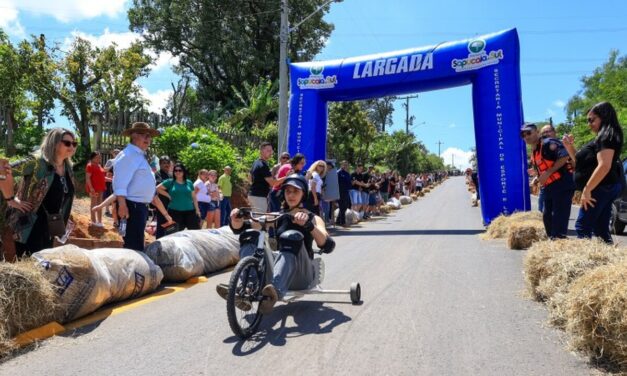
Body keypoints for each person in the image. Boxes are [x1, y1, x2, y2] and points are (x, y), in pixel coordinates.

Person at [219, 174, 335, 314]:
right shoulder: (278, 215)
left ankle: (274, 292)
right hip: (279, 272)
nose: (291, 195)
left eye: (295, 191)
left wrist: (309, 225)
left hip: (303, 275)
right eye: (288, 191)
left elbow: (328, 245)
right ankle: (248, 289)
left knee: (291, 236)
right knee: (249, 236)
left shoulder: (313, 217)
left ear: (303, 194)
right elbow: (250, 225)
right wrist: (236, 222)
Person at [3, 128, 76, 257]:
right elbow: (2, 170)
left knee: (44, 266)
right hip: (30, 226)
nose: (72, 147)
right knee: (31, 266)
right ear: (54, 143)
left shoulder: (68, 168)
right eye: (67, 143)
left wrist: (65, 216)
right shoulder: (36, 162)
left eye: (74, 144)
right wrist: (11, 199)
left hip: (51, 226)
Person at [563, 102, 624, 243]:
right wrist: (569, 146)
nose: (589, 123)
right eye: (588, 120)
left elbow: (604, 166)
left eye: (592, 119)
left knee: (583, 226)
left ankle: (587, 262)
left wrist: (587, 189)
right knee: (600, 228)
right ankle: (608, 262)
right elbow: (580, 162)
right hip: (604, 186)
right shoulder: (603, 136)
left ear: (604, 117)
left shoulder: (607, 136)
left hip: (601, 187)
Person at [113, 122, 160, 252]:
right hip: (131, 207)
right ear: (133, 135)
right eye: (143, 135)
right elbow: (120, 183)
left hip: (138, 207)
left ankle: (135, 271)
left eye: (149, 136)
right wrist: (122, 205)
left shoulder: (138, 154)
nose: (147, 138)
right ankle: (133, 272)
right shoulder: (129, 155)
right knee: (133, 246)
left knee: (137, 243)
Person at [522, 122, 574, 239]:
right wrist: (537, 174)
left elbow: (565, 156)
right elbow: (544, 166)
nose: (526, 137)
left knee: (558, 217)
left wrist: (548, 172)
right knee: (547, 217)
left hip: (562, 184)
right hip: (549, 187)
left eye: (529, 133)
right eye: (523, 135)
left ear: (537, 132)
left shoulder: (548, 143)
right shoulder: (535, 150)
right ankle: (553, 241)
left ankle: (559, 242)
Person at [157, 163, 201, 233]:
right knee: (174, 235)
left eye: (180, 170)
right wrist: (168, 195)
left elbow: (194, 197)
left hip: (190, 212)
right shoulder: (170, 182)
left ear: (183, 171)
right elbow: (158, 188)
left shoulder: (189, 182)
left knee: (195, 233)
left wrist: (197, 210)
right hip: (175, 213)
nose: (177, 172)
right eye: (175, 170)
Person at [249, 142, 288, 212]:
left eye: (271, 151)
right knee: (259, 220)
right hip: (259, 197)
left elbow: (250, 177)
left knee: (257, 220)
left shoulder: (256, 162)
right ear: (261, 151)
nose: (271, 153)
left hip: (254, 195)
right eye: (268, 151)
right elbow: (273, 183)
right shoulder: (263, 165)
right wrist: (287, 177)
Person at [86, 151, 106, 227]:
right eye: (97, 157)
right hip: (94, 189)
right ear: (92, 157)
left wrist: (110, 179)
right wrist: (91, 188)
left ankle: (99, 221)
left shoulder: (99, 165)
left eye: (99, 157)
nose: (99, 158)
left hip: (101, 188)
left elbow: (102, 176)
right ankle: (93, 221)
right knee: (94, 204)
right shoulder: (90, 165)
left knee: (100, 204)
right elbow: (88, 178)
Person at [154, 155, 172, 238]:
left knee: (170, 226)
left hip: (171, 205)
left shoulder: (170, 175)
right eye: (164, 163)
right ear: (160, 164)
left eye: (168, 163)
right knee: (161, 225)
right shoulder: (157, 174)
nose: (166, 165)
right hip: (161, 204)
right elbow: (157, 188)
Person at [103, 148, 120, 217]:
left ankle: (114, 211)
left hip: (116, 180)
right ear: (113, 154)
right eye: (115, 152)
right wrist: (111, 167)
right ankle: (107, 210)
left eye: (118, 152)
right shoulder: (110, 161)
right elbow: (105, 169)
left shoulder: (120, 161)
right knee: (107, 194)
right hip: (109, 179)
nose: (116, 154)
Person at [336, 161, 352, 227]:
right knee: (342, 207)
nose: (345, 166)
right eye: (344, 164)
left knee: (346, 206)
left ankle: (338, 220)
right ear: (341, 165)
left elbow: (349, 182)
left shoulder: (347, 173)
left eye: (346, 165)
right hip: (340, 192)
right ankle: (342, 222)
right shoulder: (338, 172)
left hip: (346, 192)